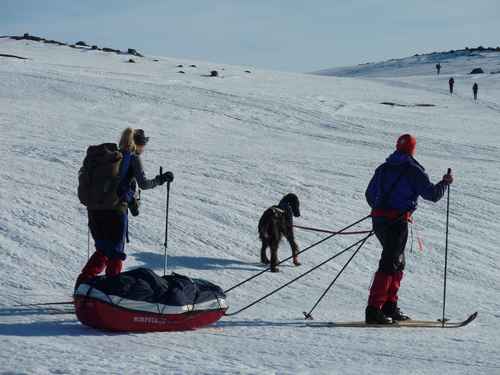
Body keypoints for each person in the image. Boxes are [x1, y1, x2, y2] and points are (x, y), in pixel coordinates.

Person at [364, 134, 453, 324]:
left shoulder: (383, 168)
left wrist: (380, 210)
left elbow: (370, 194)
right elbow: (432, 195)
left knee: (396, 261)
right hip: (397, 222)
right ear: (412, 149)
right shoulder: (413, 170)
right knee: (390, 263)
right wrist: (445, 183)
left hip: (379, 220)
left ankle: (389, 306)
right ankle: (373, 310)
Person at [75, 128, 173, 287]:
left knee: (102, 251)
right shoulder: (132, 158)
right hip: (115, 212)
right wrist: (161, 179)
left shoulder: (111, 158)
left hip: (94, 211)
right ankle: (111, 293)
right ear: (139, 144)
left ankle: (82, 285)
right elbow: (144, 184)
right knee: (115, 254)